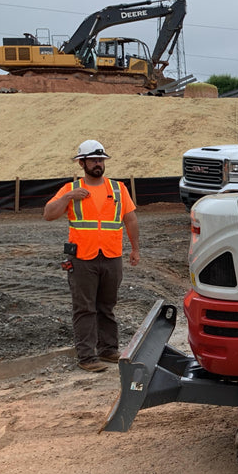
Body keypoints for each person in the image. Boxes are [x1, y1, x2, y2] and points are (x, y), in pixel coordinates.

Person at [44, 140, 140, 372]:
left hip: (111, 256)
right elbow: (48, 214)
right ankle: (87, 357)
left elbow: (130, 220)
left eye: (101, 160)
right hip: (82, 259)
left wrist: (135, 249)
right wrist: (68, 197)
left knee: (107, 306)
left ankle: (108, 349)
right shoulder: (70, 189)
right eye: (93, 160)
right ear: (82, 163)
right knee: (85, 308)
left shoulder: (118, 189)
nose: (98, 164)